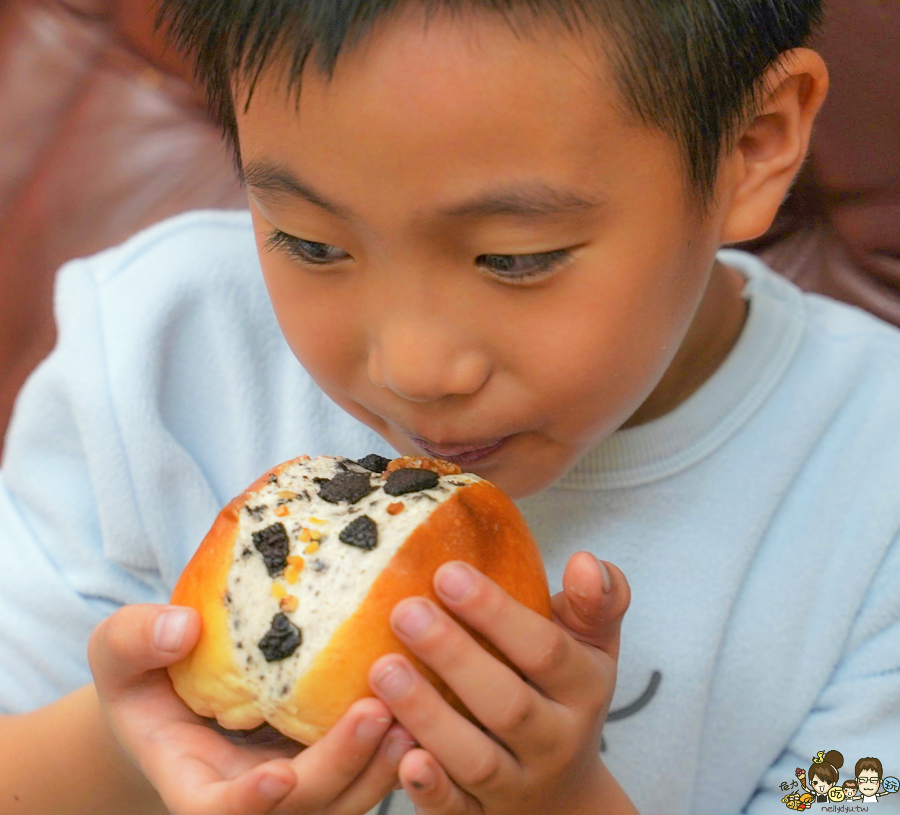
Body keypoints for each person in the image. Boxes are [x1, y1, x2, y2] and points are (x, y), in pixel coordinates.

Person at [1, 0, 899, 813]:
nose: (415, 367)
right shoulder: (159, 356)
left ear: (751, 143)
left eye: (515, 258)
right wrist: (121, 753)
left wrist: (565, 800)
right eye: (311, 244)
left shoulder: (873, 487)